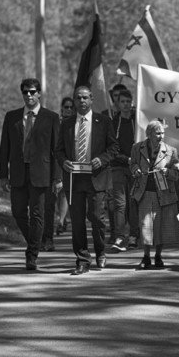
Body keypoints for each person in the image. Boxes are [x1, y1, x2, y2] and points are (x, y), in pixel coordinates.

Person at [0, 78, 62, 271]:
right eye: (25, 92)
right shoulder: (12, 117)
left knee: (37, 214)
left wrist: (57, 177)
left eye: (32, 92)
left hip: (41, 173)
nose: (29, 95)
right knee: (18, 212)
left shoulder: (51, 117)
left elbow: (57, 149)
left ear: (39, 93)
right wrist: (3, 175)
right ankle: (36, 239)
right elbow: (5, 148)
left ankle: (32, 254)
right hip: (18, 172)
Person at [55, 85, 119, 275]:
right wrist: (64, 162)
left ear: (91, 99)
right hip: (74, 179)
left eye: (85, 98)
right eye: (78, 98)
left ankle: (100, 252)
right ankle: (82, 259)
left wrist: (102, 159)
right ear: (74, 101)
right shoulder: (66, 124)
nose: (81, 101)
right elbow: (58, 150)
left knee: (97, 218)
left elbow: (114, 147)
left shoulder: (104, 121)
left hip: (96, 178)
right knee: (77, 221)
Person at [129, 119, 179, 269]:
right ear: (149, 134)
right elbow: (132, 164)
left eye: (163, 133)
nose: (161, 136)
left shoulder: (171, 151)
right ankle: (146, 256)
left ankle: (158, 256)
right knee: (146, 225)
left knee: (161, 226)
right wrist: (135, 170)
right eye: (157, 133)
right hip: (145, 192)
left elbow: (177, 173)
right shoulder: (137, 148)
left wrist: (168, 172)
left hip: (164, 193)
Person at [108, 89, 137, 252]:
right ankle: (119, 236)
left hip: (135, 168)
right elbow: (111, 147)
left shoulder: (138, 120)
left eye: (128, 102)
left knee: (133, 202)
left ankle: (133, 235)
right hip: (118, 166)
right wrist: (125, 159)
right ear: (118, 104)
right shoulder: (113, 123)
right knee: (120, 204)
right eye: (123, 102)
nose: (126, 105)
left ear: (132, 103)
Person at [54, 97, 76, 236]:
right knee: (58, 192)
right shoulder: (56, 123)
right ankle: (62, 218)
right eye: (66, 107)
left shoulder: (77, 123)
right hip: (57, 160)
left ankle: (61, 221)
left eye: (70, 107)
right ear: (61, 108)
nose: (68, 109)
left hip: (72, 161)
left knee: (65, 193)